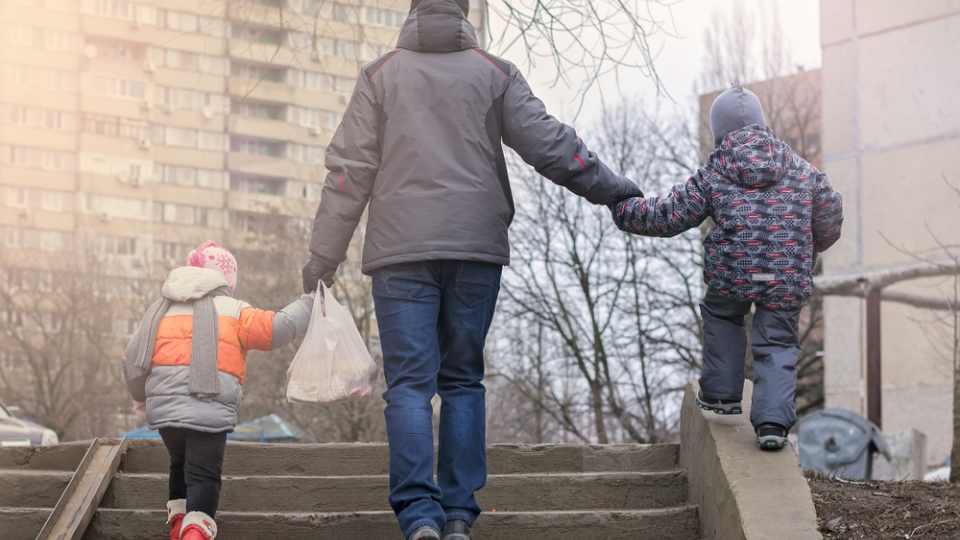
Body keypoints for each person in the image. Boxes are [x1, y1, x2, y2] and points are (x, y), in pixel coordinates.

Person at [300, 0, 642, 537]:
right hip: (475, 249)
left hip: (400, 252)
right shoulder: (495, 73)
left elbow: (349, 172)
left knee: (410, 386)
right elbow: (550, 145)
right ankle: (458, 514)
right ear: (464, 14)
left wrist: (324, 256)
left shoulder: (380, 75)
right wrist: (614, 191)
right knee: (462, 380)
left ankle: (419, 517)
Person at [611, 85, 844, 451]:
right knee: (779, 341)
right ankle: (772, 424)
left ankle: (721, 395)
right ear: (762, 125)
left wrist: (624, 210)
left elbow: (671, 215)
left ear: (720, 132)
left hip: (735, 271)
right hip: (786, 274)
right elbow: (831, 216)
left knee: (723, 314)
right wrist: (810, 248)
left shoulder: (716, 171)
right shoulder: (802, 169)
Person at [122, 241, 314, 540]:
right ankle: (194, 533)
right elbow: (278, 327)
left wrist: (140, 400)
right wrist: (309, 303)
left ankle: (178, 527)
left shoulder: (158, 312)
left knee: (179, 464)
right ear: (226, 281)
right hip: (208, 411)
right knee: (202, 476)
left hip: (165, 417)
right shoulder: (235, 311)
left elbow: (132, 361)